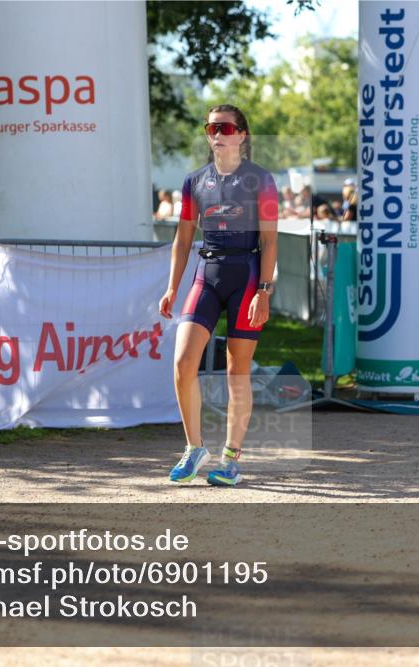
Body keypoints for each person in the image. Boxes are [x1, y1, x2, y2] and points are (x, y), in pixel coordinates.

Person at [158, 104, 278, 488]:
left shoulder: (261, 179)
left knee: (236, 372)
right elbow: (183, 238)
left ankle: (230, 459)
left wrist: (264, 290)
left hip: (246, 274)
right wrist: (172, 286)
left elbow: (271, 239)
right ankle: (194, 448)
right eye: (211, 127)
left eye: (225, 127)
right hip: (206, 274)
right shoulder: (195, 181)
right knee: (182, 362)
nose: (217, 133)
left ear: (242, 135)